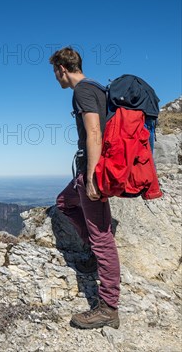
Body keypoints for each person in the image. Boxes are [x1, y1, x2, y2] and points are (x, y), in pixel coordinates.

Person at [50, 47, 120, 329]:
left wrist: (92, 177)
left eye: (55, 73)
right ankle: (93, 249)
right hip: (86, 170)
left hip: (93, 172)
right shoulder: (98, 89)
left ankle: (108, 307)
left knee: (103, 239)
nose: (55, 78)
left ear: (62, 69)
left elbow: (94, 132)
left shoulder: (82, 91)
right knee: (65, 202)